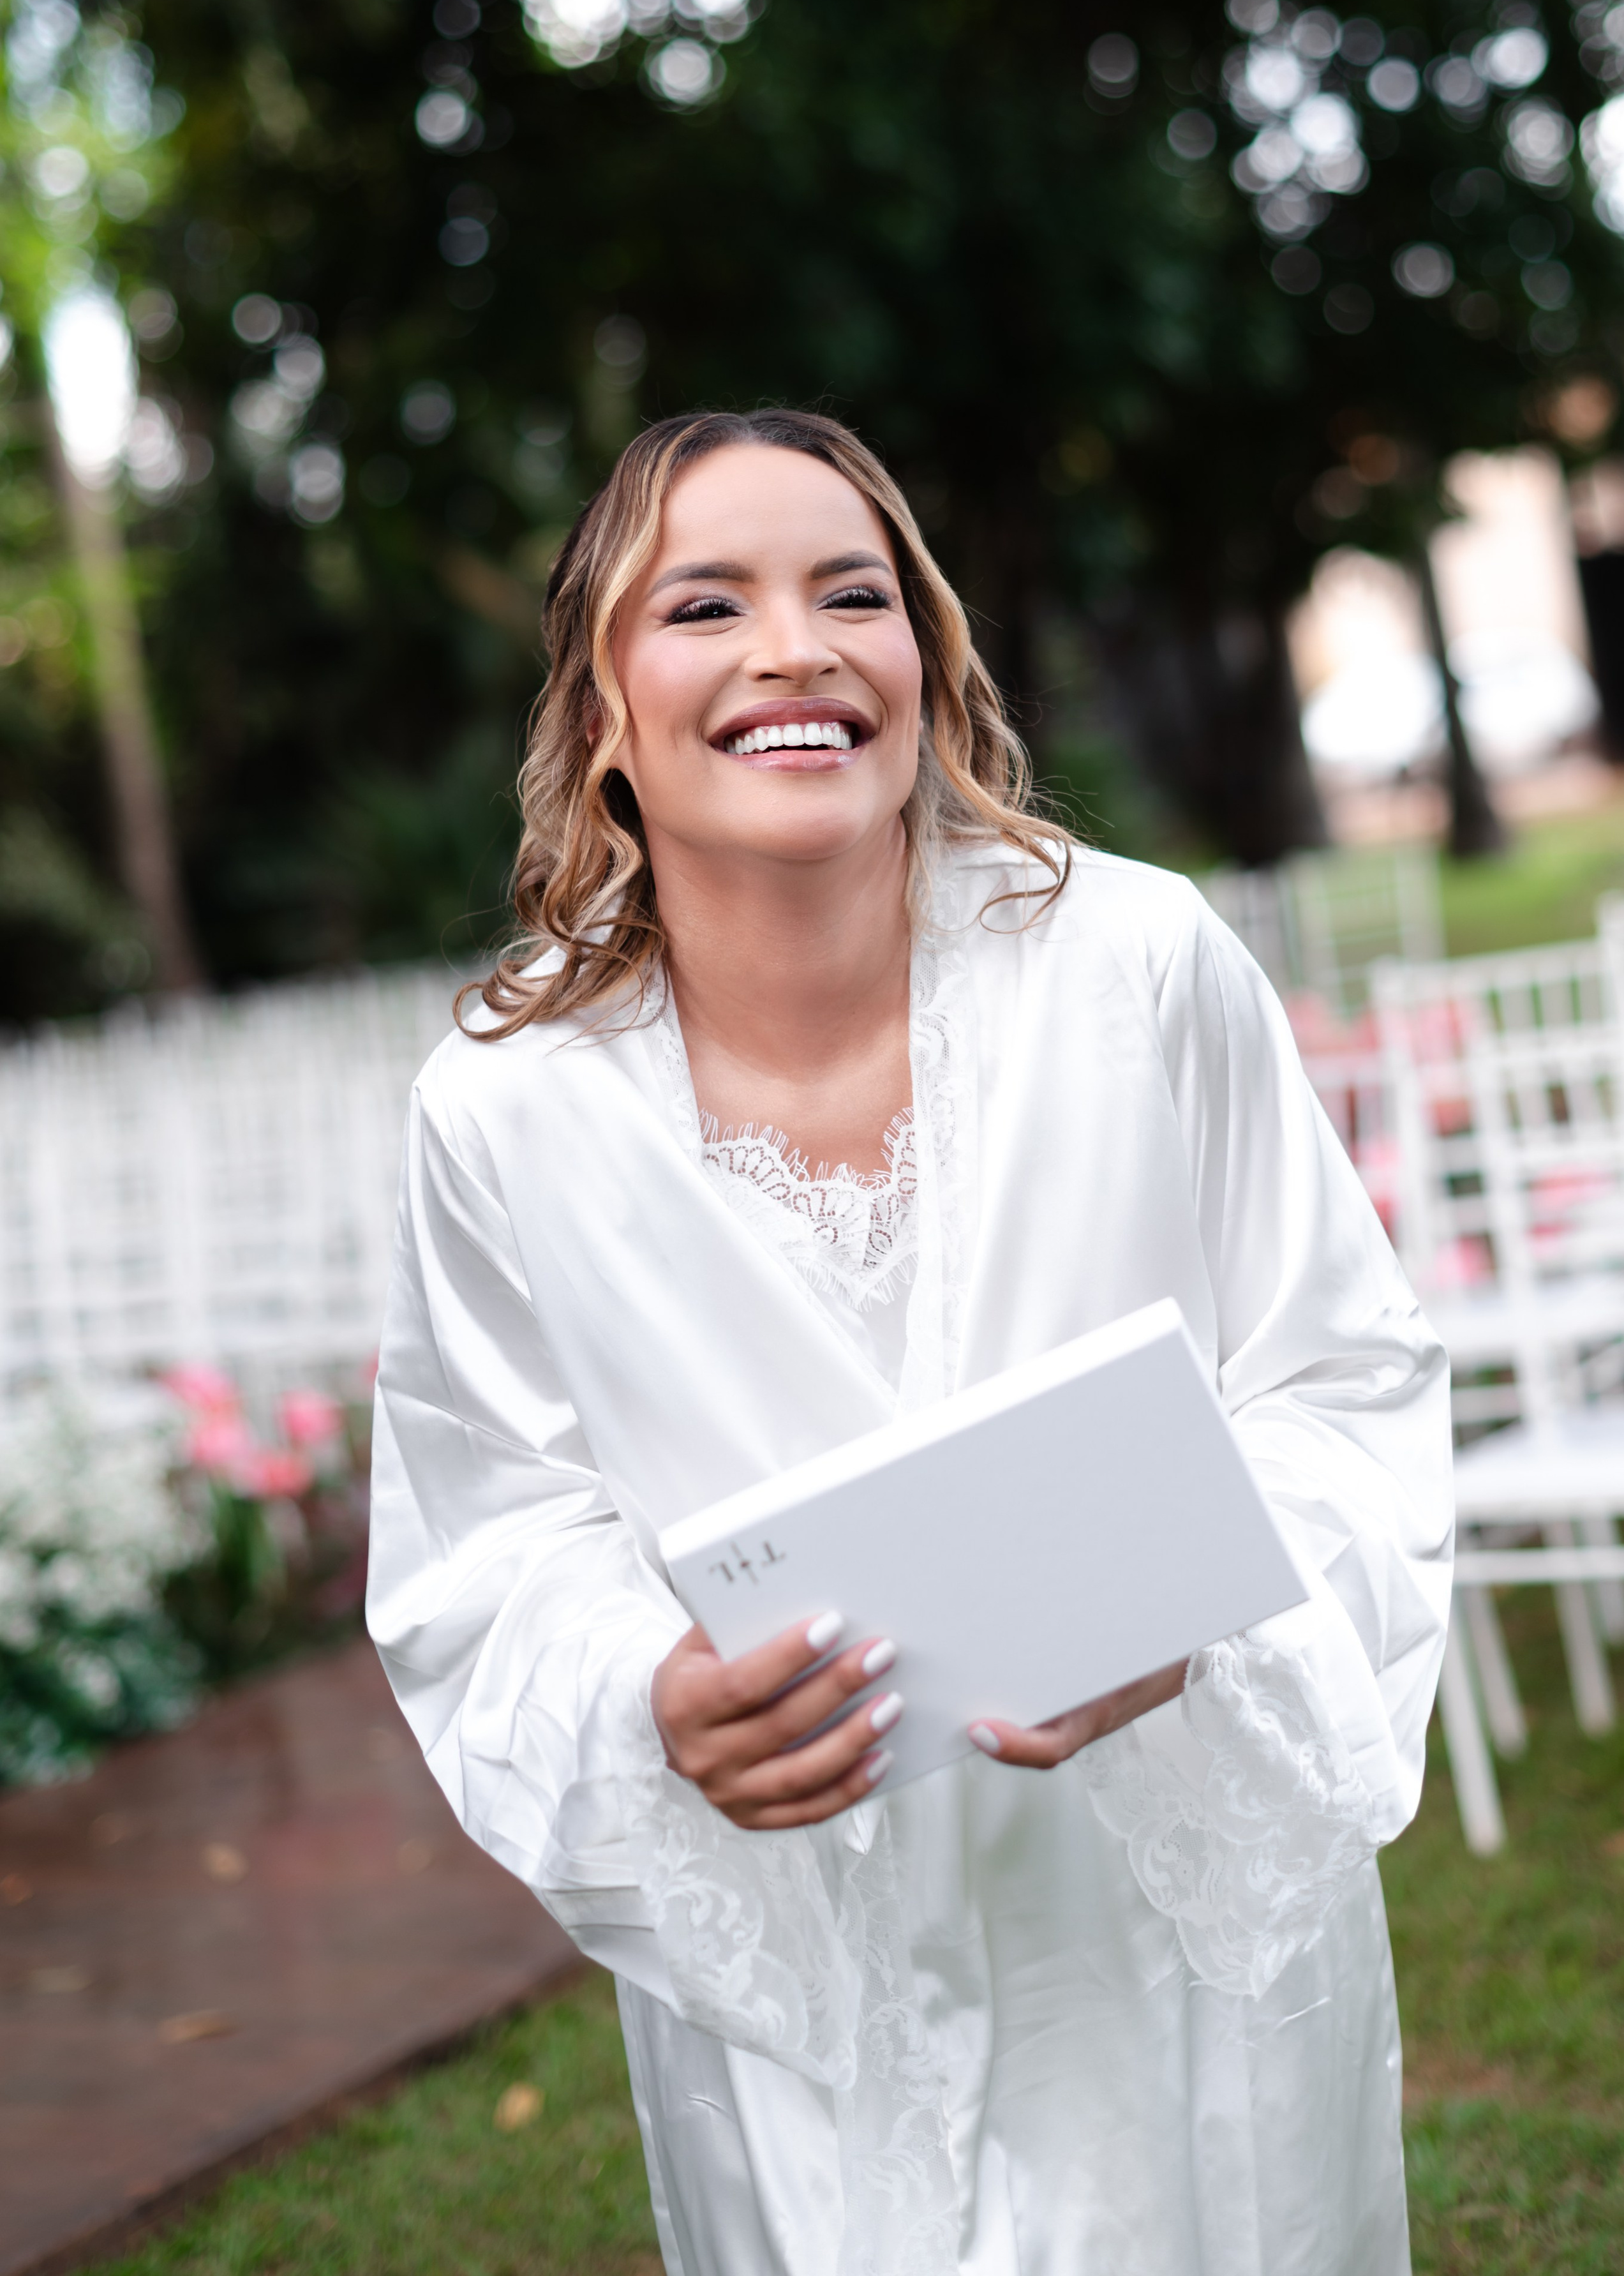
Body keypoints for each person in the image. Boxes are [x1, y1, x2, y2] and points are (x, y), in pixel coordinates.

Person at [368, 408, 1452, 2276]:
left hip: (1167, 1920)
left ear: (928, 671)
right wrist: (649, 1696)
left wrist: (1195, 1607)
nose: (794, 645)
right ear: (604, 713)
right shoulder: (505, 1113)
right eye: (706, 603)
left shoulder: (1141, 968)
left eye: (851, 592)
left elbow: (1342, 1379)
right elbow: (492, 1532)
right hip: (809, 1965)